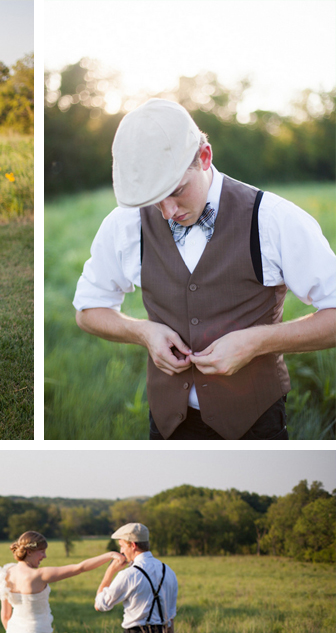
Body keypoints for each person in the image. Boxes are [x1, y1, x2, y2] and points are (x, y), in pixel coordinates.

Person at [73, 98, 336, 440]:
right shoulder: (124, 225)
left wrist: (257, 342)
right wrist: (144, 333)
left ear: (205, 157)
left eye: (177, 191)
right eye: (154, 199)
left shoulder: (273, 219)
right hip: (167, 423)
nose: (167, 212)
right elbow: (88, 310)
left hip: (256, 424)